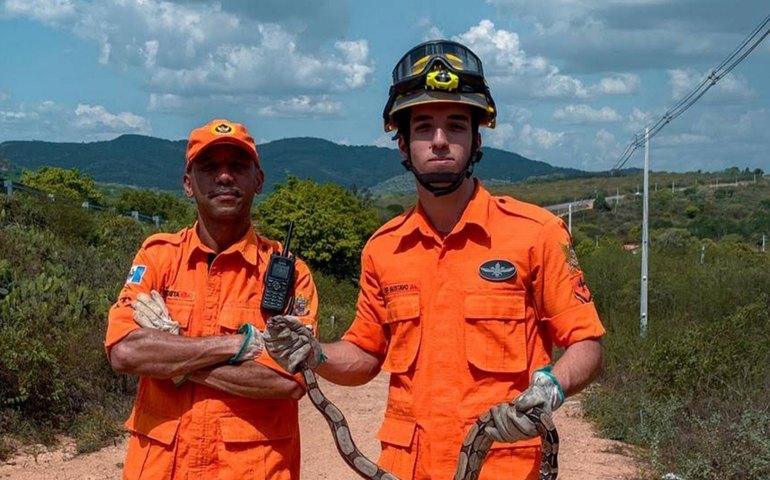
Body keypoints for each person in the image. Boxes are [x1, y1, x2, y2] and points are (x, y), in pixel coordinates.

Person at [264, 40, 605, 479]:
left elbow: (587, 345)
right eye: (424, 127)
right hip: (408, 468)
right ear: (402, 144)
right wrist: (315, 354)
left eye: (456, 126)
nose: (440, 141)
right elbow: (365, 355)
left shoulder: (535, 233)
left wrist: (551, 388)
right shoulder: (383, 248)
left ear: (476, 139)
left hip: (504, 465)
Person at [105, 119, 318, 480]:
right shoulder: (158, 257)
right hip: (162, 469)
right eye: (209, 167)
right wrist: (238, 344)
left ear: (258, 181)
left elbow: (286, 381)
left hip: (253, 470)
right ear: (188, 184)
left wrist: (173, 358)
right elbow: (125, 352)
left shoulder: (290, 272)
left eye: (237, 166)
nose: (224, 177)